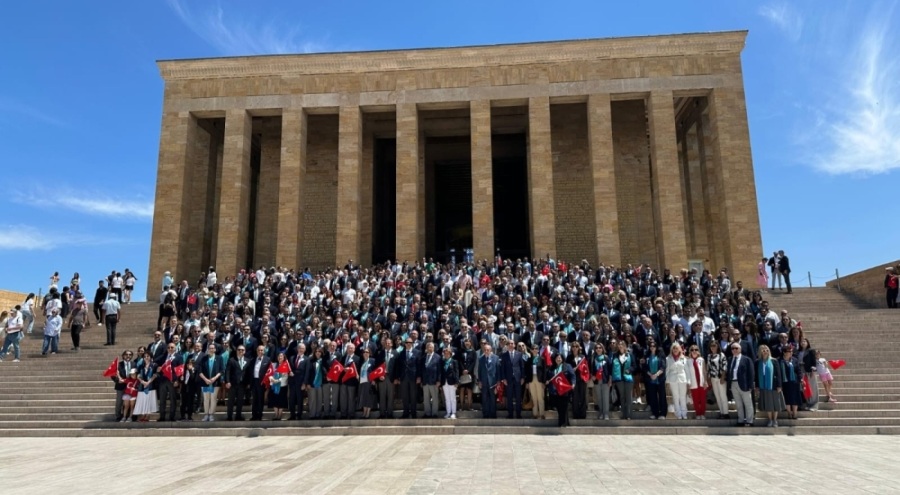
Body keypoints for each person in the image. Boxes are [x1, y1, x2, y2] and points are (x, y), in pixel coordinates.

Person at [727, 341, 755, 427]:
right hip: (733, 383)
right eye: (733, 348)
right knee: (738, 404)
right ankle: (741, 420)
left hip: (744, 384)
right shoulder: (730, 359)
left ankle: (750, 421)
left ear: (740, 349)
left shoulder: (746, 359)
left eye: (736, 348)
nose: (734, 350)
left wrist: (751, 385)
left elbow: (751, 373)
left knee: (748, 403)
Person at [756, 345, 785, 427]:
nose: (765, 352)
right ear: (760, 352)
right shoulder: (758, 362)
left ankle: (775, 420)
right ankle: (770, 420)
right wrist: (757, 386)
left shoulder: (774, 361)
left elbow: (778, 374)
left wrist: (779, 385)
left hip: (774, 385)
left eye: (767, 350)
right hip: (763, 386)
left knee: (775, 404)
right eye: (763, 350)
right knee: (768, 404)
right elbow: (757, 376)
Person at [155, 342, 183, 422]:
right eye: (169, 347)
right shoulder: (164, 356)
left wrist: (177, 380)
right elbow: (155, 362)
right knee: (162, 399)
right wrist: (158, 367)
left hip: (173, 380)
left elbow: (180, 370)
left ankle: (172, 416)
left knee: (172, 399)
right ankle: (162, 416)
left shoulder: (179, 357)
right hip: (163, 380)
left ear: (175, 348)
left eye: (172, 347)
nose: (170, 349)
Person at [394, 337, 420, 419]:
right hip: (403, 377)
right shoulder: (401, 353)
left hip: (413, 377)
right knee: (404, 396)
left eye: (410, 342)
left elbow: (419, 365)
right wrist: (397, 377)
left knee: (413, 395)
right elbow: (398, 366)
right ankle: (405, 412)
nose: (408, 344)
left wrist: (419, 377)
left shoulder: (417, 352)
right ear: (405, 344)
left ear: (412, 343)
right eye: (407, 342)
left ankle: (413, 413)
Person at [548, 353, 575, 427]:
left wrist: (573, 384)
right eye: (557, 358)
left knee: (564, 407)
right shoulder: (552, 367)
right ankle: (564, 421)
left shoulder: (567, 366)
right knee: (559, 407)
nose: (558, 359)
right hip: (555, 391)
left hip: (564, 390)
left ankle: (562, 423)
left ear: (562, 359)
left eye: (560, 358)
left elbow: (572, 375)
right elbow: (549, 376)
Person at [611, 340, 636, 420]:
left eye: (622, 344)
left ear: (625, 346)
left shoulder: (630, 355)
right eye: (619, 345)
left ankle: (629, 415)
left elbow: (634, 366)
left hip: (628, 378)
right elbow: (613, 367)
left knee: (628, 397)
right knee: (622, 397)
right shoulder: (615, 355)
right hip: (619, 379)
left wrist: (629, 370)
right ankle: (623, 414)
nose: (620, 346)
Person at [642, 339, 667, 420]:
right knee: (653, 397)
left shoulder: (661, 355)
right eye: (651, 346)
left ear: (656, 347)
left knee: (662, 396)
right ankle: (655, 413)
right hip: (650, 379)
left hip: (659, 378)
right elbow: (644, 367)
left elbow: (663, 366)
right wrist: (650, 375)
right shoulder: (647, 356)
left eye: (654, 346)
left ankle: (662, 413)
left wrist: (656, 374)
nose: (652, 347)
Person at [199, 344, 224, 421]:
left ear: (215, 350)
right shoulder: (204, 358)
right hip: (205, 382)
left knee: (213, 398)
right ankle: (206, 414)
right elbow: (200, 371)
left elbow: (222, 370)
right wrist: (205, 379)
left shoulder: (219, 358)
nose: (211, 349)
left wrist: (214, 378)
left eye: (213, 348)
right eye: (210, 348)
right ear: (207, 349)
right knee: (206, 399)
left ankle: (211, 414)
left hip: (215, 383)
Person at [225, 345, 251, 421]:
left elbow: (249, 373)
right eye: (239, 349)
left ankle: (238, 416)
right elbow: (227, 371)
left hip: (242, 384)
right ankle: (229, 416)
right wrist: (227, 381)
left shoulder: (248, 360)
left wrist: (248, 383)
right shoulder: (232, 360)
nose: (240, 351)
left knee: (240, 401)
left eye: (242, 350)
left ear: (245, 351)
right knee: (231, 401)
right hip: (232, 384)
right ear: (236, 351)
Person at [501, 340, 525, 419]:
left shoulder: (519, 354)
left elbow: (522, 367)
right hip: (508, 379)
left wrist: (522, 377)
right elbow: (503, 368)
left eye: (512, 343)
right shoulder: (504, 355)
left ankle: (518, 414)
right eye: (509, 344)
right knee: (509, 397)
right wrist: (504, 378)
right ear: (507, 346)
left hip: (518, 378)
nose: (510, 345)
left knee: (518, 397)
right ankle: (510, 414)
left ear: (514, 345)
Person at [706, 340, 729, 419]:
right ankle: (721, 412)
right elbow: (708, 368)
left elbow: (725, 367)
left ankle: (726, 413)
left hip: (720, 378)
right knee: (717, 396)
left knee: (723, 396)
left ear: (717, 346)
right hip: (713, 378)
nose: (713, 347)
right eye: (711, 346)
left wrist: (723, 377)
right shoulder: (709, 356)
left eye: (714, 345)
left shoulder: (721, 355)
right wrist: (708, 378)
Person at [665, 343, 689, 419]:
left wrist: (688, 381)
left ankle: (684, 413)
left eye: (677, 348)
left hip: (682, 379)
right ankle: (678, 413)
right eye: (674, 348)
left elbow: (687, 370)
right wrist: (667, 381)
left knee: (682, 397)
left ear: (679, 349)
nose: (675, 350)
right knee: (675, 397)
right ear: (672, 349)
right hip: (672, 379)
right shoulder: (668, 358)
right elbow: (667, 370)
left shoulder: (684, 358)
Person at [478, 343, 501, 419]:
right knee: (484, 399)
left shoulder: (496, 358)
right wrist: (480, 381)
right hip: (484, 382)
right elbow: (479, 371)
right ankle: (485, 414)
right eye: (485, 350)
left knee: (492, 398)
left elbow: (498, 370)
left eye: (488, 350)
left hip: (493, 382)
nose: (486, 351)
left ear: (491, 350)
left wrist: (498, 381)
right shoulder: (481, 359)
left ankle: (493, 414)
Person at [133, 352, 158, 422]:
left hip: (151, 386)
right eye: (145, 356)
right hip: (142, 386)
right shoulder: (141, 365)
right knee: (143, 400)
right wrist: (143, 382)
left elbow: (155, 374)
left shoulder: (154, 365)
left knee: (149, 400)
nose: (146, 358)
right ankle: (143, 415)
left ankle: (147, 416)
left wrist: (148, 382)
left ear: (151, 357)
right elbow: (138, 375)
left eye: (148, 356)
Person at [288, 343, 310, 420]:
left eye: (303, 348)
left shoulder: (307, 359)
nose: (301, 350)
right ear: (297, 349)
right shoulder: (291, 358)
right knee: (291, 399)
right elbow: (288, 369)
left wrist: (305, 383)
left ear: (305, 350)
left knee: (300, 399)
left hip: (301, 383)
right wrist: (289, 373)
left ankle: (299, 415)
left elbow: (307, 372)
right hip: (292, 382)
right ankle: (292, 415)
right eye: (300, 348)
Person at [420, 342, 441, 418]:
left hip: (434, 381)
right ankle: (427, 413)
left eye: (431, 347)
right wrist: (422, 380)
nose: (429, 348)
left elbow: (439, 370)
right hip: (425, 381)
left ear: (433, 348)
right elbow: (421, 370)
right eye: (428, 347)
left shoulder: (438, 357)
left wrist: (438, 380)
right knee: (426, 399)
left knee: (435, 398)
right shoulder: (423, 357)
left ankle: (434, 413)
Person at [779, 347, 802, 420]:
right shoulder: (779, 361)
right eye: (789, 351)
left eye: (792, 351)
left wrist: (800, 378)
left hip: (794, 382)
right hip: (785, 383)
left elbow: (798, 371)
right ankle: (789, 412)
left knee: (795, 398)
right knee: (787, 398)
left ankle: (795, 413)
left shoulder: (795, 360)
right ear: (784, 352)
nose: (791, 353)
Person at [249, 345, 270, 420]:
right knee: (254, 399)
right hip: (254, 381)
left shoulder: (268, 360)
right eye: (259, 350)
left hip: (262, 382)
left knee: (261, 399)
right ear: (256, 351)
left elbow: (269, 372)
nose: (260, 352)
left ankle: (260, 414)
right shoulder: (252, 360)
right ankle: (254, 415)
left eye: (262, 350)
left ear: (264, 351)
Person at [687, 344, 707, 419]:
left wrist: (705, 381)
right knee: (695, 400)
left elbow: (704, 371)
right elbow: (687, 373)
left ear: (698, 351)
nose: (694, 351)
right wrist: (688, 384)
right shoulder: (688, 361)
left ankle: (703, 413)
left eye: (696, 349)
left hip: (701, 382)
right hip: (693, 382)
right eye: (692, 350)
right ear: (690, 352)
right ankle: (698, 414)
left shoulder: (701, 360)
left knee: (702, 399)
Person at [591, 342, 611, 420]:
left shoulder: (606, 357)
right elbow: (591, 369)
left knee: (605, 397)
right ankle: (601, 413)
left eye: (600, 348)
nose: (598, 349)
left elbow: (610, 369)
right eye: (597, 348)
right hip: (597, 380)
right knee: (599, 398)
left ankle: (606, 414)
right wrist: (592, 376)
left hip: (605, 380)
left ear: (602, 349)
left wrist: (610, 379)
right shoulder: (593, 358)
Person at [528, 345, 548, 420]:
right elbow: (527, 372)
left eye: (536, 348)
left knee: (540, 397)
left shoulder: (542, 359)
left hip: (539, 379)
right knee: (534, 397)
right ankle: (535, 414)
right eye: (533, 348)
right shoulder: (529, 359)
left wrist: (543, 381)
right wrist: (527, 382)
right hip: (531, 379)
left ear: (538, 350)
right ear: (531, 350)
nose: (534, 350)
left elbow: (544, 371)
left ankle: (542, 414)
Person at [267, 352, 289, 420]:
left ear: (284, 357)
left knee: (281, 401)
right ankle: (276, 414)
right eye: (279, 356)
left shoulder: (286, 365)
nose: (280, 357)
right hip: (274, 385)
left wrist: (278, 380)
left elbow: (285, 376)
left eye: (281, 356)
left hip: (282, 386)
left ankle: (279, 415)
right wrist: (271, 379)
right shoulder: (273, 365)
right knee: (274, 400)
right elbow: (269, 373)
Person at [179, 356, 201, 421]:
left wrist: (191, 370)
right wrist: (181, 379)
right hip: (184, 388)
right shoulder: (184, 370)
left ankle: (189, 416)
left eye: (190, 364)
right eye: (188, 363)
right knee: (183, 403)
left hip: (191, 389)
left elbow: (193, 379)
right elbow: (181, 379)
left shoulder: (195, 370)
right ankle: (182, 416)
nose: (189, 365)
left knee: (190, 403)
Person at [306, 347, 326, 419]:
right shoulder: (311, 361)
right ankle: (312, 415)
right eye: (316, 351)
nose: (318, 353)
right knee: (312, 400)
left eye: (319, 351)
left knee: (320, 400)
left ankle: (318, 414)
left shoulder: (323, 361)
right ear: (314, 353)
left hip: (321, 383)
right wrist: (307, 383)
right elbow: (308, 372)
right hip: (312, 383)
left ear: (321, 353)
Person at [458, 339, 477, 411]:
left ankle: (469, 406)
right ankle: (461, 406)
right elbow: (459, 361)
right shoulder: (461, 351)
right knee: (462, 389)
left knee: (469, 390)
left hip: (470, 373)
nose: (467, 343)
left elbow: (473, 362)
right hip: (462, 373)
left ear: (470, 343)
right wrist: (463, 369)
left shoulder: (473, 352)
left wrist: (468, 370)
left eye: (468, 342)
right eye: (465, 342)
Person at [358, 348, 376, 419]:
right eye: (364, 352)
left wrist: (374, 380)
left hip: (370, 382)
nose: (365, 353)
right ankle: (364, 412)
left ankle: (368, 413)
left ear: (369, 353)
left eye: (367, 352)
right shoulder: (361, 362)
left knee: (369, 397)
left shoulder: (372, 361)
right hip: (362, 382)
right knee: (363, 397)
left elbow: (375, 371)